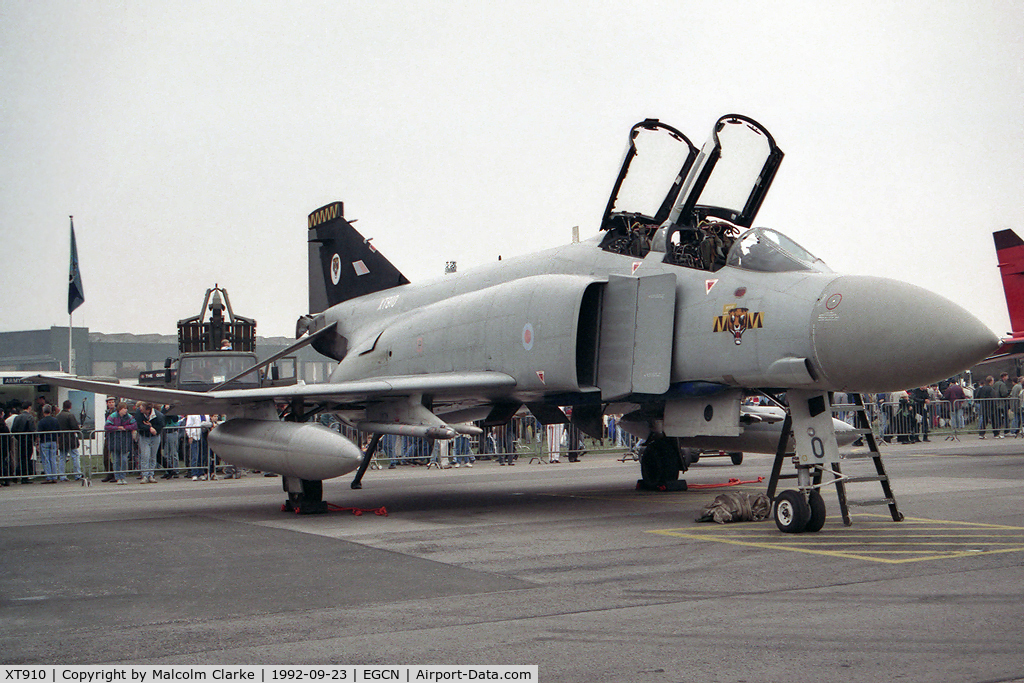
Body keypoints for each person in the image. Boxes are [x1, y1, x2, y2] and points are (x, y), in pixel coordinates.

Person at [105, 402, 137, 484]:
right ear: (119, 409)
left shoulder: (129, 417)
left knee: (123, 459)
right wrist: (117, 428)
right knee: (116, 460)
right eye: (124, 409)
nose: (125, 410)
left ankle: (123, 477)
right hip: (114, 441)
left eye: (126, 408)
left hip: (125, 441)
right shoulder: (112, 416)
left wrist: (125, 428)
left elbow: (134, 425)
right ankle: (117, 477)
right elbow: (107, 426)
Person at [135, 402, 165, 484]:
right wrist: (149, 428)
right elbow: (139, 425)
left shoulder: (158, 416)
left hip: (155, 437)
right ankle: (144, 475)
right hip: (144, 436)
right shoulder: (138, 412)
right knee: (145, 455)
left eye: (142, 406)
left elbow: (161, 426)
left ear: (147, 409)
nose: (140, 407)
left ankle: (151, 475)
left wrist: (154, 428)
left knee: (152, 456)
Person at [10, 402, 38, 483]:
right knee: (27, 458)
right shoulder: (30, 417)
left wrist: (18, 437)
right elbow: (32, 429)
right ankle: (24, 477)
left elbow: (13, 430)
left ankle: (18, 474)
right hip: (28, 440)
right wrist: (34, 440)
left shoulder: (17, 417)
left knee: (21, 458)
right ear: (29, 407)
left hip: (20, 440)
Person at [56, 400, 82, 481]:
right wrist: (78, 428)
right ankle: (77, 474)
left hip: (61, 439)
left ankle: (62, 475)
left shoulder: (58, 416)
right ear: (70, 406)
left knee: (62, 457)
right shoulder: (70, 415)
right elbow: (74, 427)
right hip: (70, 438)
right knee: (75, 456)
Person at [36, 404, 61, 482]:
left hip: (44, 441)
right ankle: (54, 476)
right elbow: (59, 432)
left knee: (46, 460)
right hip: (53, 441)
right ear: (50, 411)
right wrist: (57, 441)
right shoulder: (55, 420)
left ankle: (49, 477)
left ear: (43, 412)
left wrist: (37, 443)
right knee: (53, 459)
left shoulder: (41, 422)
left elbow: (39, 434)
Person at [185, 414, 212, 480]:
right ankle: (194, 473)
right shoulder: (192, 414)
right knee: (195, 455)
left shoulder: (206, 414)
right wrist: (190, 435)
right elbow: (188, 425)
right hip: (195, 436)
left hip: (204, 436)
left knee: (202, 455)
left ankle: (201, 473)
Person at [100, 396, 117, 482]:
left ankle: (116, 474)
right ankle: (109, 473)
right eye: (109, 402)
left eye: (112, 402)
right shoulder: (106, 412)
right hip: (108, 435)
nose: (111, 404)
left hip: (114, 435)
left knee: (115, 456)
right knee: (106, 456)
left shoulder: (116, 412)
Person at [0, 407, 11, 485]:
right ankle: (6, 479)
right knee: (4, 462)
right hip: (4, 445)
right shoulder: (4, 425)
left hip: (3, 445)